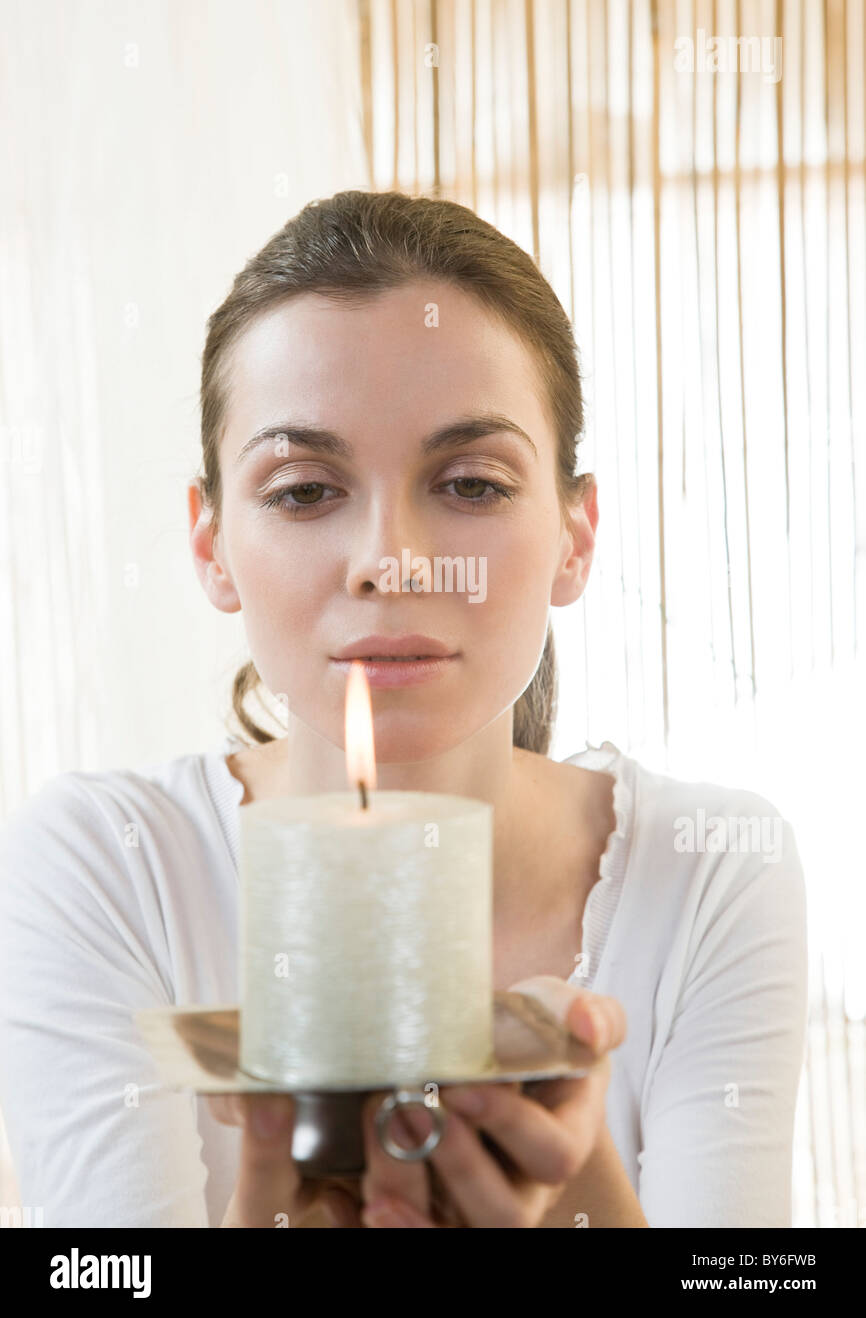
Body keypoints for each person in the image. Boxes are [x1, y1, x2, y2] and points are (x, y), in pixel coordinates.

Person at [0, 190, 807, 1228]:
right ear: (211, 548)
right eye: (302, 490)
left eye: (469, 484)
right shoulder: (103, 862)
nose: (389, 560)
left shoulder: (707, 867)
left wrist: (574, 1181)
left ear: (574, 534)